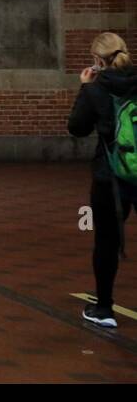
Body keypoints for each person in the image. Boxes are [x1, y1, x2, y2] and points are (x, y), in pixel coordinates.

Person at [67, 32, 137, 328]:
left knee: (107, 241)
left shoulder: (96, 90)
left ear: (97, 61)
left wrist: (85, 89)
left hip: (110, 177)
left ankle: (104, 309)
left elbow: (77, 128)